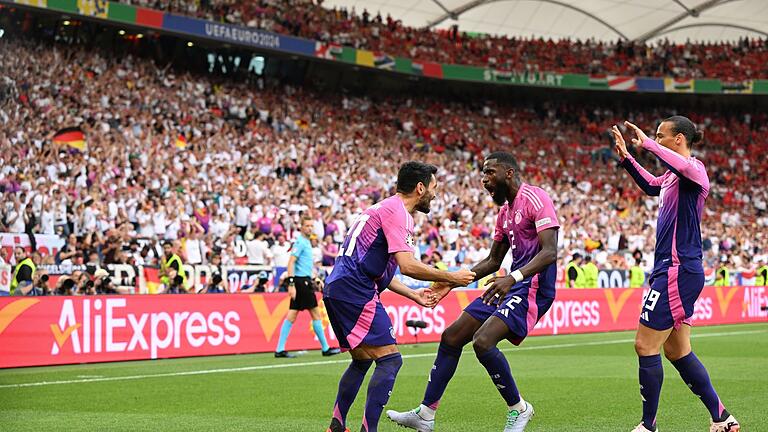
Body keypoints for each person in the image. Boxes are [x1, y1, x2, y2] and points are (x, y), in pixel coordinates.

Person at [387, 152, 559, 432]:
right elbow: (493, 261)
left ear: (509, 173)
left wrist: (512, 278)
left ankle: (519, 409)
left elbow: (550, 252)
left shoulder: (536, 199)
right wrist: (450, 282)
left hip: (533, 287)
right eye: (483, 173)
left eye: (490, 172)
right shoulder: (504, 212)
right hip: (511, 284)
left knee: (482, 342)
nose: (484, 179)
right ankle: (426, 414)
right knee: (452, 336)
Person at [323, 161, 475, 432]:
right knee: (391, 360)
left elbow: (380, 268)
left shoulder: (380, 208)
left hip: (338, 287)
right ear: (420, 188)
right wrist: (451, 276)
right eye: (433, 188)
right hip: (357, 291)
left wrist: (413, 295)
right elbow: (408, 265)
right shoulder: (399, 213)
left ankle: (337, 424)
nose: (435, 194)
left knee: (362, 359)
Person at [612, 118, 739, 432]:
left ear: (679, 139)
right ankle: (722, 418)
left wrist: (647, 145)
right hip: (672, 271)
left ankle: (648, 426)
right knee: (677, 350)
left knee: (645, 345)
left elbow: (678, 166)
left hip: (677, 271)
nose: (654, 138)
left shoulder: (695, 170)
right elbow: (649, 185)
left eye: (660, 135)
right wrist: (627, 158)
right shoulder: (670, 178)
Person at [273, 215, 342, 358]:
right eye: (307, 226)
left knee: (292, 315)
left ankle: (280, 349)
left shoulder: (306, 242)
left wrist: (314, 277)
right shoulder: (300, 242)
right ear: (301, 227)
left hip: (303, 280)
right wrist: (291, 284)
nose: (310, 228)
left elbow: (304, 265)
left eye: (312, 226)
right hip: (301, 282)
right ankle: (325, 348)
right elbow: (291, 262)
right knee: (315, 314)